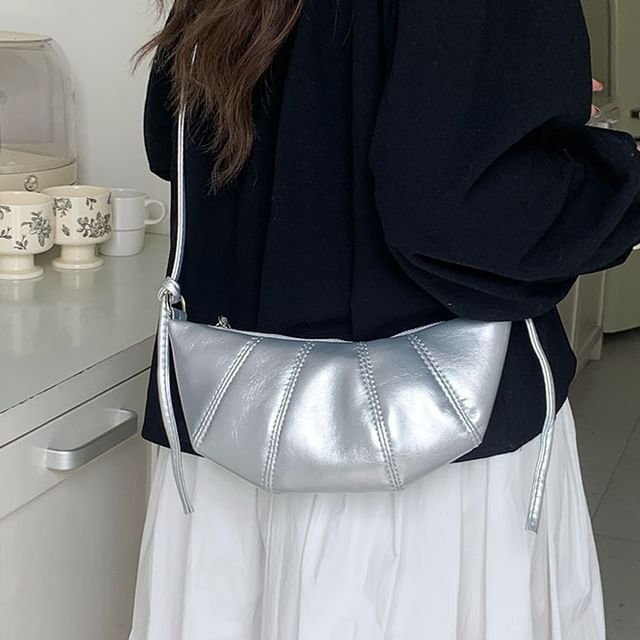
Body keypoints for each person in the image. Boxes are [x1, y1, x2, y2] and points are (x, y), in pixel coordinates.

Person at [129, 1, 640, 638]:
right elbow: (465, 220)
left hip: (226, 426)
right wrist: (611, 171)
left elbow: (175, 138)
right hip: (429, 462)